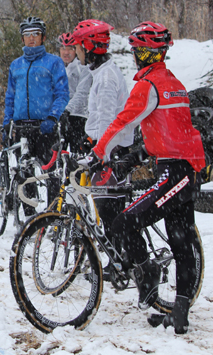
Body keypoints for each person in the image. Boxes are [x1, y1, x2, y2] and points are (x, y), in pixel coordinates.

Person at [88, 21, 205, 334]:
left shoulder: (147, 85)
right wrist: (133, 158)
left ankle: (148, 273)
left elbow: (122, 121)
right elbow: (167, 133)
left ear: (158, 52)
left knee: (124, 223)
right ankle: (179, 314)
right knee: (181, 242)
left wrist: (97, 153)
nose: (141, 55)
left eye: (146, 50)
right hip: (184, 169)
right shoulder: (174, 83)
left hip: (174, 173)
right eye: (139, 49)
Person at [72, 19, 133, 254]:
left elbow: (109, 120)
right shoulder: (100, 72)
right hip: (105, 147)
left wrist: (101, 153)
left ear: (88, 47)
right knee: (106, 209)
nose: (76, 52)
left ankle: (121, 260)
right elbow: (99, 118)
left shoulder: (106, 78)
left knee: (110, 211)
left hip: (111, 151)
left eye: (78, 47)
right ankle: (117, 260)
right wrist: (90, 138)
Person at [3, 16, 69, 212]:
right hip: (22, 126)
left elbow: (62, 93)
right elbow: (10, 97)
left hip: (45, 125)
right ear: (22, 39)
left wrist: (53, 116)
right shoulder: (16, 65)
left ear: (43, 37)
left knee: (50, 173)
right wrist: (8, 122)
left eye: (36, 34)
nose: (31, 39)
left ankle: (52, 215)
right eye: (27, 35)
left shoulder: (54, 63)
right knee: (24, 173)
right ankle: (30, 216)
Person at [57, 33, 91, 154]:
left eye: (70, 48)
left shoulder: (82, 67)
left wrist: (67, 110)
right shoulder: (56, 68)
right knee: (57, 156)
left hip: (78, 117)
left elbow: (82, 93)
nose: (66, 52)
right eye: (63, 48)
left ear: (76, 50)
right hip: (59, 118)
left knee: (78, 156)